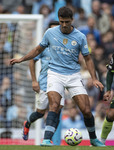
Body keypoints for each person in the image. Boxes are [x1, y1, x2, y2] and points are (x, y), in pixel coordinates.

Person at [10, 6, 105, 147]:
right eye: (62, 22)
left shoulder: (80, 37)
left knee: (85, 109)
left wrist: (94, 78)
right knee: (54, 106)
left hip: (73, 75)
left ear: (72, 20)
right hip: (54, 74)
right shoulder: (50, 33)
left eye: (67, 22)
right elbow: (37, 50)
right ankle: (47, 139)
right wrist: (21, 59)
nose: (64, 25)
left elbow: (88, 59)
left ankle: (93, 139)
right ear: (59, 20)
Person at [22, 21, 65, 143]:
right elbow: (32, 60)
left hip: (59, 84)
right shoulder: (43, 47)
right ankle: (28, 122)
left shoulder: (63, 47)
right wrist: (34, 81)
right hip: (44, 84)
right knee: (40, 113)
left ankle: (48, 138)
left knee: (57, 110)